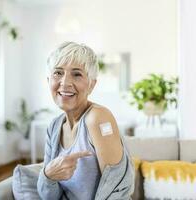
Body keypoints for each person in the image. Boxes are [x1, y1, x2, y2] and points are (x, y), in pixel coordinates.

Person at [37, 42, 135, 200]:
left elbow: (118, 192)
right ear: (49, 80)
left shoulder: (98, 118)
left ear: (91, 84)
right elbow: (49, 196)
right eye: (58, 73)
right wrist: (48, 175)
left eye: (76, 74)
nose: (65, 82)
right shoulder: (54, 128)